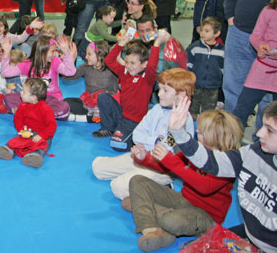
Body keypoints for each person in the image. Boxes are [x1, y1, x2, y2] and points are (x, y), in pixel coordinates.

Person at [168, 98, 277, 253]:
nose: (259, 133)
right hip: (251, 234)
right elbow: (212, 162)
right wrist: (179, 134)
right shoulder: (254, 151)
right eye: (263, 126)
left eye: (270, 130)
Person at [127, 109, 242, 252]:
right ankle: (150, 228)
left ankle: (144, 208)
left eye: (199, 132)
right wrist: (144, 158)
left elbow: (204, 186)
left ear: (212, 136)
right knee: (137, 181)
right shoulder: (197, 149)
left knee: (170, 221)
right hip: (184, 199)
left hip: (206, 215)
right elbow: (166, 167)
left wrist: (170, 160)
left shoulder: (226, 164)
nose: (195, 134)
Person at [92, 68, 196, 199]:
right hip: (143, 155)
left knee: (118, 187)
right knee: (98, 167)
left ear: (181, 95)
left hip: (164, 168)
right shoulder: (157, 109)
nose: (159, 94)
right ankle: (138, 174)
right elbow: (137, 135)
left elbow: (165, 151)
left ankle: (163, 187)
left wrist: (150, 144)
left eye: (166, 90)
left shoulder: (184, 120)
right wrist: (154, 142)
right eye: (160, 89)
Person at [92, 31, 167, 139]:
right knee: (103, 97)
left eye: (132, 63)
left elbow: (152, 65)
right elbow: (108, 60)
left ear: (145, 64)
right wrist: (121, 44)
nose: (128, 66)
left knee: (117, 144)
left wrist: (157, 43)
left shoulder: (147, 77)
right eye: (126, 62)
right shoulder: (125, 72)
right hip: (122, 115)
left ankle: (131, 134)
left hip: (135, 122)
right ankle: (108, 128)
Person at [1, 35, 77, 120]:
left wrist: (66, 53)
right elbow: (6, 73)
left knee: (64, 107)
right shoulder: (28, 64)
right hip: (32, 100)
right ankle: (40, 114)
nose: (55, 53)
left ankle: (31, 114)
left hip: (50, 99)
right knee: (7, 98)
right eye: (52, 51)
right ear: (42, 52)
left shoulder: (54, 61)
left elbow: (70, 72)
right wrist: (6, 53)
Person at [232, 0, 277, 131]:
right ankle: (231, 144)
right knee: (241, 111)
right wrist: (260, 46)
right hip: (261, 69)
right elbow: (255, 36)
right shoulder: (268, 10)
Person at [0, 78, 56, 168]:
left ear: (33, 97)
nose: (21, 93)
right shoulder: (23, 105)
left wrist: (42, 135)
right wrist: (21, 131)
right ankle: (8, 150)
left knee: (42, 144)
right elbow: (18, 118)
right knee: (17, 140)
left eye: (24, 92)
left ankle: (35, 156)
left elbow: (52, 125)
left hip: (41, 133)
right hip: (27, 131)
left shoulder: (46, 109)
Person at [64, 40, 118, 122]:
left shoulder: (112, 68)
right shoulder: (86, 67)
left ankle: (83, 118)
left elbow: (126, 74)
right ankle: (92, 115)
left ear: (99, 56)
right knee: (66, 102)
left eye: (89, 54)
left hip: (106, 104)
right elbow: (68, 76)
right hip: (90, 103)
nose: (86, 57)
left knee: (106, 106)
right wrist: (71, 60)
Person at [186, 17, 224, 119]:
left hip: (212, 86)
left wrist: (219, 79)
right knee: (192, 109)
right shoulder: (194, 47)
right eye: (202, 30)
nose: (202, 33)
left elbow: (223, 68)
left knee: (208, 112)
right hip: (195, 85)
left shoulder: (222, 51)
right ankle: (191, 128)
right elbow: (188, 64)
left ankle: (204, 130)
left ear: (216, 34)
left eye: (207, 31)